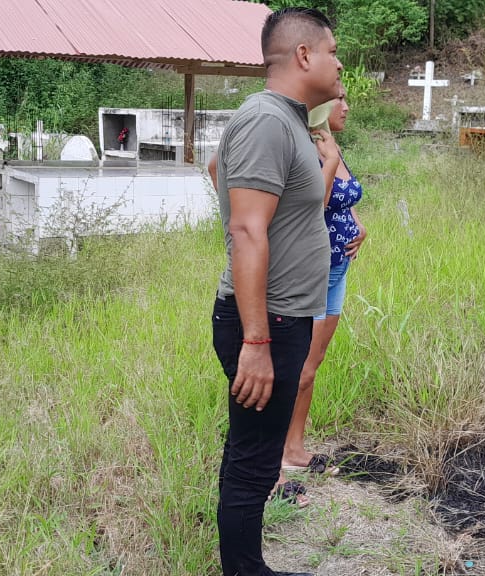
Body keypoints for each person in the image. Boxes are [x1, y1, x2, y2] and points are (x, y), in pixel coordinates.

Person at [207, 7, 341, 576]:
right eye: (332, 52)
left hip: (282, 318)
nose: (340, 65)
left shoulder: (286, 121)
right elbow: (246, 229)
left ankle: (245, 565)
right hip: (268, 322)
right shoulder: (266, 120)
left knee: (251, 451)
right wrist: (257, 342)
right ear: (304, 55)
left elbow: (218, 167)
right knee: (255, 461)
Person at [281, 90, 366, 477]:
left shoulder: (330, 143)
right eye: (338, 100)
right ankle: (277, 453)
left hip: (338, 270)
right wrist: (329, 160)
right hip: (312, 272)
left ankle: (294, 447)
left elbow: (343, 199)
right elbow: (314, 203)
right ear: (317, 106)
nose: (346, 107)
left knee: (312, 365)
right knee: (299, 367)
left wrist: (358, 225)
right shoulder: (308, 148)